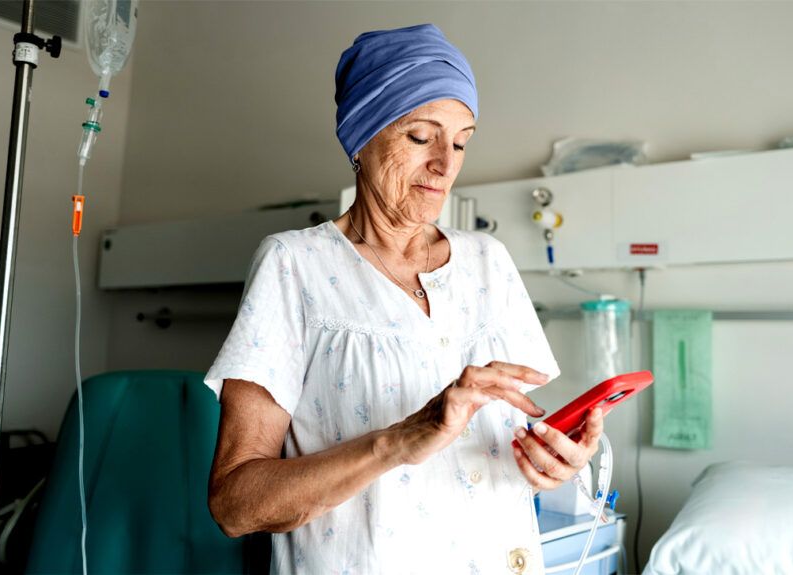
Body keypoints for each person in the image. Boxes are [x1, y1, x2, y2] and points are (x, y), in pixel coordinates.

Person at [204, 24, 603, 575]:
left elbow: (513, 448)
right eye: (421, 136)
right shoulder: (296, 266)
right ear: (362, 140)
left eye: (461, 141)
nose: (447, 164)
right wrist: (399, 440)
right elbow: (235, 504)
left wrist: (554, 462)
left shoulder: (489, 262)